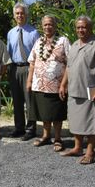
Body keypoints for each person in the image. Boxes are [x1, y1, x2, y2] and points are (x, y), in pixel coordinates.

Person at [59, 15, 95, 164]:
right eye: (78, 27)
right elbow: (69, 68)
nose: (80, 30)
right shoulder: (75, 45)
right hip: (74, 88)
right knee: (76, 121)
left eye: (84, 27)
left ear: (90, 28)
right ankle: (77, 147)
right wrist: (63, 84)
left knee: (91, 122)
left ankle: (90, 151)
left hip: (92, 89)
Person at [26, 15, 70, 152]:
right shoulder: (38, 41)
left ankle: (57, 138)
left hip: (56, 86)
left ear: (55, 25)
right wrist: (29, 80)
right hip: (39, 84)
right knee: (44, 113)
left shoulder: (63, 41)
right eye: (45, 25)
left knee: (56, 114)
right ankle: (45, 136)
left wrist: (64, 84)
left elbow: (70, 63)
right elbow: (32, 62)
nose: (47, 27)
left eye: (50, 24)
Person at [7, 2, 40, 140]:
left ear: (26, 15)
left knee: (29, 100)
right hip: (15, 68)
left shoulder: (33, 32)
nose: (20, 15)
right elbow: (9, 52)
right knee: (17, 100)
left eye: (22, 13)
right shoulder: (10, 33)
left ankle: (31, 129)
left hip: (29, 67)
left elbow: (38, 53)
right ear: (14, 16)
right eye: (17, 13)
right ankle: (19, 128)